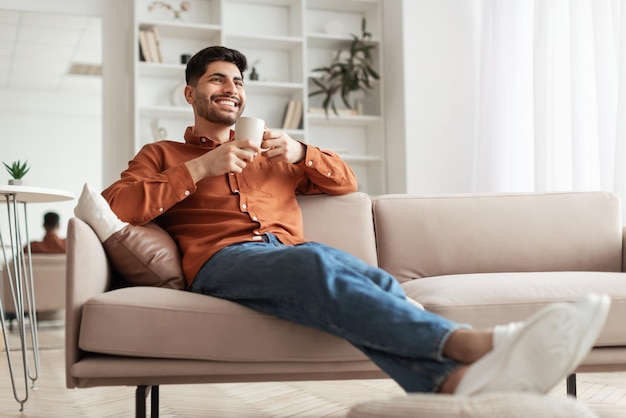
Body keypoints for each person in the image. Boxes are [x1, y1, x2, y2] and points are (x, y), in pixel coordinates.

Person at [101, 45, 611, 395]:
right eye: (217, 79)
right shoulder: (162, 153)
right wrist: (200, 168)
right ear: (190, 93)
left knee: (370, 277)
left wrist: (302, 151)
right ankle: (462, 341)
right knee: (318, 264)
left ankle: (445, 383)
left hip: (288, 255)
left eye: (237, 81)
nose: (231, 88)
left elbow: (345, 183)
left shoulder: (276, 155)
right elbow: (118, 206)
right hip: (220, 262)